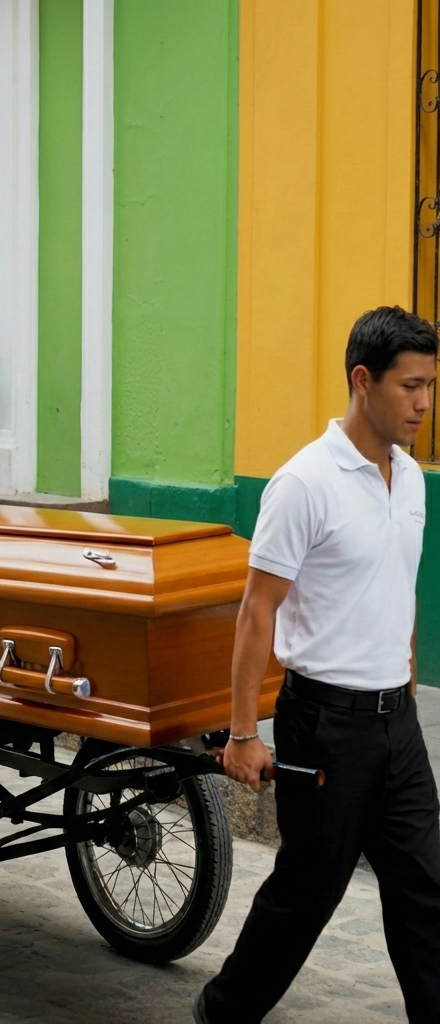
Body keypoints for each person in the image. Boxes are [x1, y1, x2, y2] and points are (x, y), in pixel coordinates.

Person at [193, 306, 440, 1024]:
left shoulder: (414, 480)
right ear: (363, 381)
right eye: (411, 386)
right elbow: (256, 611)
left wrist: (409, 683)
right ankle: (223, 1012)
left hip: (398, 723)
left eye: (431, 386)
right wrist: (244, 732)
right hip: (326, 725)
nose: (424, 403)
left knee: (425, 890)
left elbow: (400, 593)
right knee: (308, 892)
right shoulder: (304, 483)